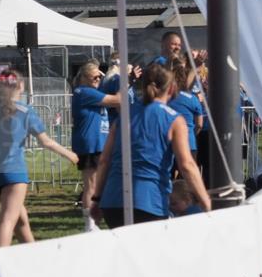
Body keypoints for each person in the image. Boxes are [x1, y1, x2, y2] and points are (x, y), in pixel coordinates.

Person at [91, 63, 211, 228]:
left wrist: (97, 198)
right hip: (148, 200)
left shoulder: (124, 116)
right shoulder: (174, 119)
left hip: (113, 200)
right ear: (171, 89)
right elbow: (187, 164)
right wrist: (205, 202)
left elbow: (105, 160)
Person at [0, 70, 79, 247]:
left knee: (21, 220)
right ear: (21, 86)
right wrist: (70, 154)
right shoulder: (25, 111)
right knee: (8, 221)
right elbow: (45, 141)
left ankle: (33, 254)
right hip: (14, 172)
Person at [71, 61, 121, 231]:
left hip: (100, 143)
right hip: (90, 144)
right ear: (84, 77)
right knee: (91, 185)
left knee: (100, 185)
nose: (99, 78)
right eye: (95, 75)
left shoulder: (94, 92)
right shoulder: (83, 92)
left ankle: (96, 221)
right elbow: (118, 100)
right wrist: (122, 78)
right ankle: (90, 224)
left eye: (100, 75)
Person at [167, 57, 204, 163]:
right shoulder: (192, 98)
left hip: (169, 143)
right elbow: (200, 124)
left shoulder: (166, 98)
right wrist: (192, 133)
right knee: (187, 176)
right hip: (189, 143)